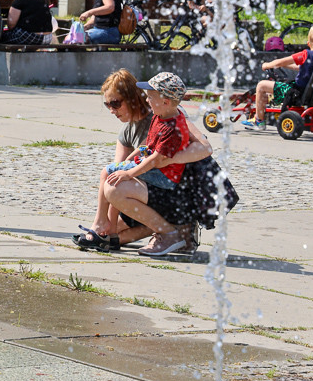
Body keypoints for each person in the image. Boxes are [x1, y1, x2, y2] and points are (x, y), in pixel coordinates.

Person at [75, 69, 214, 255]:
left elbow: (205, 147)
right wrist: (111, 233)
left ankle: (176, 231)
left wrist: (165, 159)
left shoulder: (169, 116)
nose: (111, 110)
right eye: (107, 104)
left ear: (133, 98)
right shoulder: (133, 129)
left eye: (115, 103)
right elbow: (118, 173)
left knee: (114, 190)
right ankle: (109, 231)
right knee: (112, 223)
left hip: (170, 191)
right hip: (146, 190)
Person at [242, 25, 313, 130]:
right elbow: (304, 69)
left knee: (261, 85)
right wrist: (285, 65)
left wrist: (267, 65)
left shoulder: (305, 54)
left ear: (308, 44)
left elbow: (281, 61)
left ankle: (259, 120)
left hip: (296, 94)